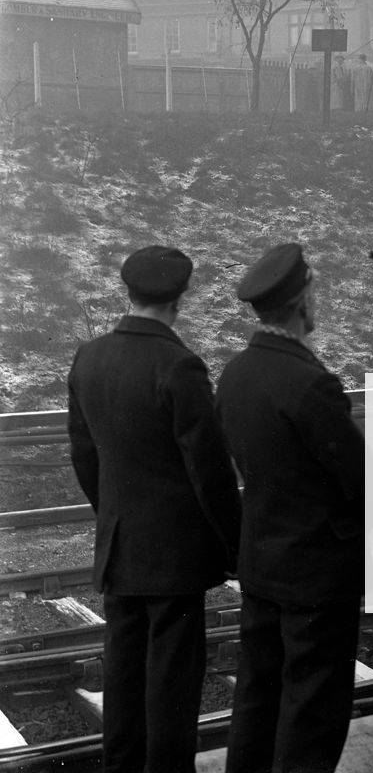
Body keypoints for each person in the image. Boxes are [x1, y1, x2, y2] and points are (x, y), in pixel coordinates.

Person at [67, 245, 242, 773]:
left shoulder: (88, 356)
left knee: (123, 670)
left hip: (121, 545)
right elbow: (209, 471)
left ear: (129, 290)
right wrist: (233, 546)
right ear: (180, 297)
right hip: (174, 556)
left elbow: (83, 452)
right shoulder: (179, 365)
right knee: (172, 680)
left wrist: (113, 513)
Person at [217, 243, 365, 773]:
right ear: (303, 300)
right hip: (317, 576)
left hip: (263, 566)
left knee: (257, 701)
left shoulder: (235, 374)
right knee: (312, 711)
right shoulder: (310, 383)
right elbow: (361, 480)